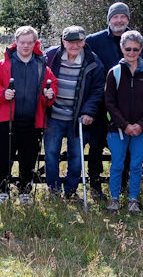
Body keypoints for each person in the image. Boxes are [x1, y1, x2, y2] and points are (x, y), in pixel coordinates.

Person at [85, 1, 143, 200]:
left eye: (123, 17)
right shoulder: (93, 40)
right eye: (115, 16)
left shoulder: (138, 40)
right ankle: (95, 187)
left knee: (127, 148)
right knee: (96, 145)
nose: (119, 20)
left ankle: (123, 188)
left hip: (128, 107)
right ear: (109, 19)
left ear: (128, 19)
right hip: (99, 104)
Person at [0, 26, 57, 205]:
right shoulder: (3, 64)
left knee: (29, 158)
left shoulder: (42, 66)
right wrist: (3, 93)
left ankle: (25, 191)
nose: (25, 46)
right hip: (6, 120)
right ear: (16, 42)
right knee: (5, 157)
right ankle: (2, 190)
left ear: (35, 43)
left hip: (33, 121)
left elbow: (52, 86)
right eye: (22, 42)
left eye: (29, 42)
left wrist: (49, 95)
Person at [44, 26, 104, 200]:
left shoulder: (93, 61)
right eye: (71, 42)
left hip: (78, 117)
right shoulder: (50, 57)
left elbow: (97, 89)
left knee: (76, 156)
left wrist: (88, 112)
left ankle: (71, 191)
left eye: (79, 42)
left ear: (84, 42)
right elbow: (40, 80)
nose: (75, 46)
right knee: (51, 154)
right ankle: (53, 191)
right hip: (53, 115)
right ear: (63, 41)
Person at [103, 30, 143, 213]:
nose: (132, 52)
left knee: (135, 166)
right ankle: (114, 199)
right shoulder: (114, 73)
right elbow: (109, 103)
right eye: (128, 49)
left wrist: (140, 125)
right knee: (117, 164)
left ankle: (133, 199)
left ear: (141, 49)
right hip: (117, 129)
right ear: (122, 48)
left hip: (141, 130)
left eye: (136, 49)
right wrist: (125, 125)